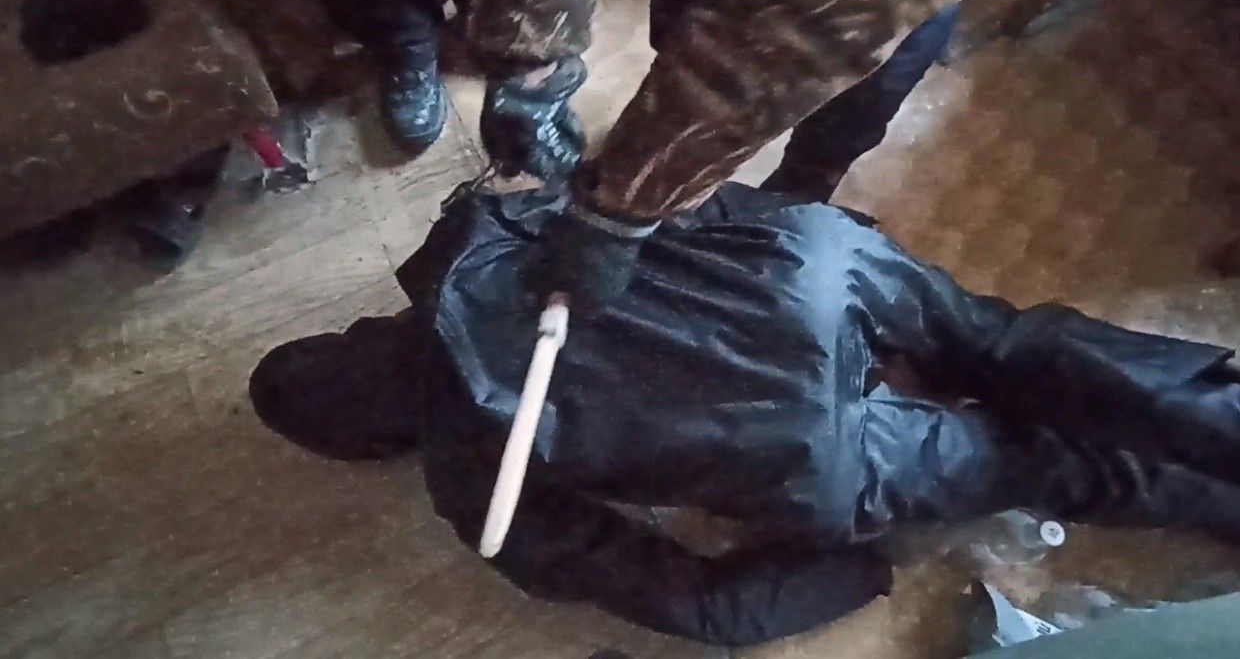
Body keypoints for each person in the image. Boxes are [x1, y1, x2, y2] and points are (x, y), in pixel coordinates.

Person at [248, 178, 1240, 646]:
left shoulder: (474, 485)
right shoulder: (476, 227)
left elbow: (698, 600)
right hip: (807, 271)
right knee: (1006, 341)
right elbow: (677, 196)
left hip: (808, 447)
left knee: (1035, 460)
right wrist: (825, 235)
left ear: (380, 440)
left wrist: (860, 563)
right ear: (359, 332)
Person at [300, 0, 987, 309]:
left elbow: (804, 25)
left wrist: (625, 207)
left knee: (859, 82)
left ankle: (804, 185)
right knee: (690, 12)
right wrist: (527, 56)